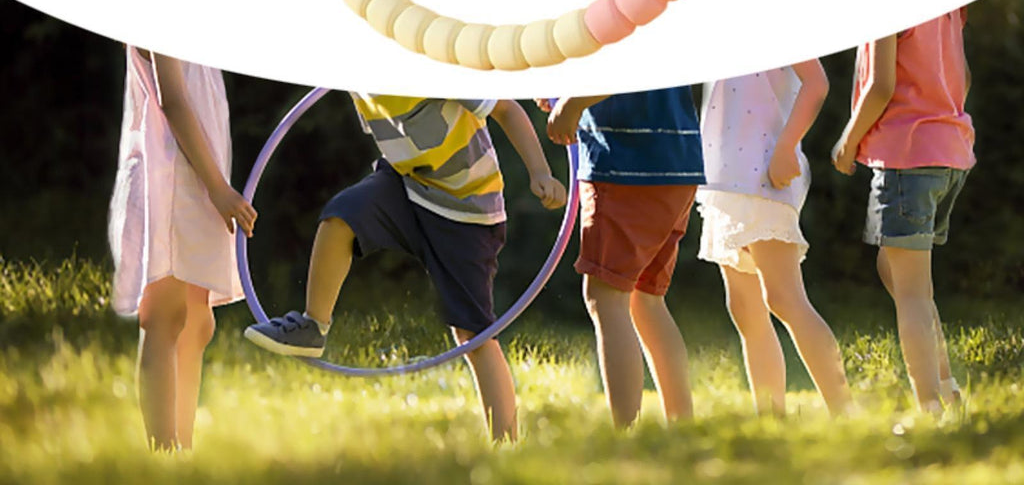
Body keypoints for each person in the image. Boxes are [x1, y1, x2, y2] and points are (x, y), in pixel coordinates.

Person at [245, 95, 565, 442]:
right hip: (407, 184)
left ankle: (505, 442)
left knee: (473, 335)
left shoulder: (435, 67)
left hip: (466, 207)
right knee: (341, 216)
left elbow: (506, 108)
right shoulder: (361, 82)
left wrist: (540, 172)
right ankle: (313, 326)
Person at [108, 47, 257, 451]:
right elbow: (172, 100)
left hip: (199, 181)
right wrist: (218, 188)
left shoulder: (196, 23)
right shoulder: (161, 15)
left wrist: (215, 185)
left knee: (196, 321)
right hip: (170, 179)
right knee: (165, 315)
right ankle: (164, 450)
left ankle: (182, 450)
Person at [832, 10, 974, 414]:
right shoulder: (945, 3)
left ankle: (930, 407)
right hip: (950, 152)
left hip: (907, 158)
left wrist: (848, 142)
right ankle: (946, 388)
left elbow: (880, 86)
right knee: (898, 273)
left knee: (911, 294)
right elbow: (963, 75)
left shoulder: (888, 2)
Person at [544, 87, 703, 428]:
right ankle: (683, 427)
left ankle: (625, 435)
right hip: (677, 161)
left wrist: (574, 102)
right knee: (647, 300)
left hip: (625, 164)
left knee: (605, 297)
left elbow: (621, 64)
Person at [698, 62, 851, 416]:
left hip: (765, 169)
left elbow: (817, 83)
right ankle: (770, 418)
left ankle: (845, 411)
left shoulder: (775, 25)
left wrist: (786, 147)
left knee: (784, 297)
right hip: (726, 176)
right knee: (743, 307)